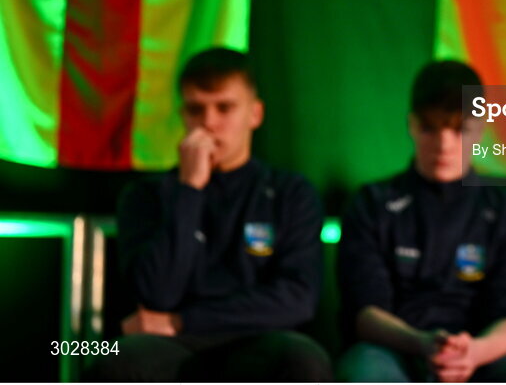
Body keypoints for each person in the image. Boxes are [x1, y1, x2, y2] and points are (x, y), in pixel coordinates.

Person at [86, 47, 331, 382]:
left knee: (303, 359)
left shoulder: (291, 193)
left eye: (224, 108)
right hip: (170, 344)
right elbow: (156, 294)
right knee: (113, 358)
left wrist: (180, 320)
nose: (209, 122)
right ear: (182, 114)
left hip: (251, 338)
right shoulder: (146, 196)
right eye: (195, 109)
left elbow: (296, 301)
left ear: (255, 114)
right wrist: (189, 191)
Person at [336, 60, 506, 382]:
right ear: (411, 124)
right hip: (393, 351)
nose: (444, 144)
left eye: (459, 129)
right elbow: (364, 312)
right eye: (430, 127)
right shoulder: (372, 204)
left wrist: (472, 352)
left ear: (481, 128)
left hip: (481, 357)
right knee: (364, 370)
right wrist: (422, 344)